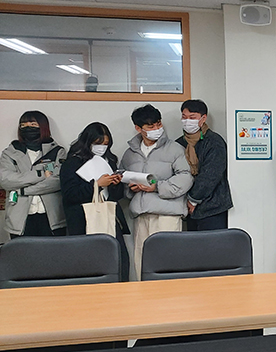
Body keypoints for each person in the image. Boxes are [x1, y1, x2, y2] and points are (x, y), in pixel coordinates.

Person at [121, 104, 193, 280]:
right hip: (142, 214)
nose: (156, 129)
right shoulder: (130, 154)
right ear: (138, 128)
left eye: (158, 124)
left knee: (168, 261)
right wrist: (131, 188)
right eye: (150, 126)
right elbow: (123, 179)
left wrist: (157, 187)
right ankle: (143, 295)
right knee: (141, 261)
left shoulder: (175, 149)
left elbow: (186, 177)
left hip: (167, 214)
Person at [60, 122, 130, 280]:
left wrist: (115, 184)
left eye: (106, 144)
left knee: (118, 260)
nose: (102, 148)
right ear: (88, 141)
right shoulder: (72, 163)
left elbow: (117, 196)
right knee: (88, 263)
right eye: (98, 143)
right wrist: (96, 185)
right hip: (83, 220)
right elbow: (70, 195)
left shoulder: (109, 161)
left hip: (109, 217)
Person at [0, 111, 66, 238]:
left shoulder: (57, 152)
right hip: (19, 221)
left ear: (43, 126)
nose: (27, 128)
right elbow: (6, 180)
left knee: (52, 251)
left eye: (33, 124)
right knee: (22, 251)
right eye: (23, 125)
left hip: (52, 219)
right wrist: (40, 174)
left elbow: (57, 181)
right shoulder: (9, 153)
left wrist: (23, 191)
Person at [176, 99, 233, 231]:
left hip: (213, 207)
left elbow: (211, 174)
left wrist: (193, 199)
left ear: (203, 118)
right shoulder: (179, 143)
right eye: (184, 117)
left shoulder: (214, 142)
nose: (187, 121)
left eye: (192, 117)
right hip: (188, 209)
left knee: (212, 243)